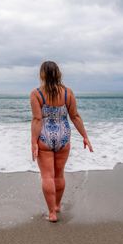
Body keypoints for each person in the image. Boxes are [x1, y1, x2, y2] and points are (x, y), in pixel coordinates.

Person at [30, 61, 93, 222]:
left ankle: (52, 213)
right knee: (59, 175)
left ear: (42, 74)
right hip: (63, 136)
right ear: (58, 74)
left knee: (47, 177)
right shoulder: (67, 93)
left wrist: (33, 142)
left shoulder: (37, 94)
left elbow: (37, 119)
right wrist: (85, 136)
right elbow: (75, 116)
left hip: (44, 136)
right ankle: (57, 205)